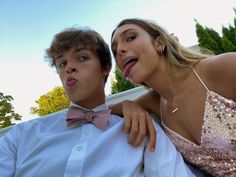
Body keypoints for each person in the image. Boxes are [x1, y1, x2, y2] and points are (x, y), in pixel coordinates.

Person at [0, 27, 195, 177]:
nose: (69, 68)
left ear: (105, 68)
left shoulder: (141, 128)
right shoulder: (19, 136)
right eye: (61, 63)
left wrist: (130, 104)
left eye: (82, 58)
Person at [110, 18, 236, 177]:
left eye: (130, 38)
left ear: (159, 43)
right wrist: (126, 105)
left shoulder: (221, 68)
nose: (120, 50)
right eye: (114, 51)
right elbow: (100, 112)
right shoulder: (153, 102)